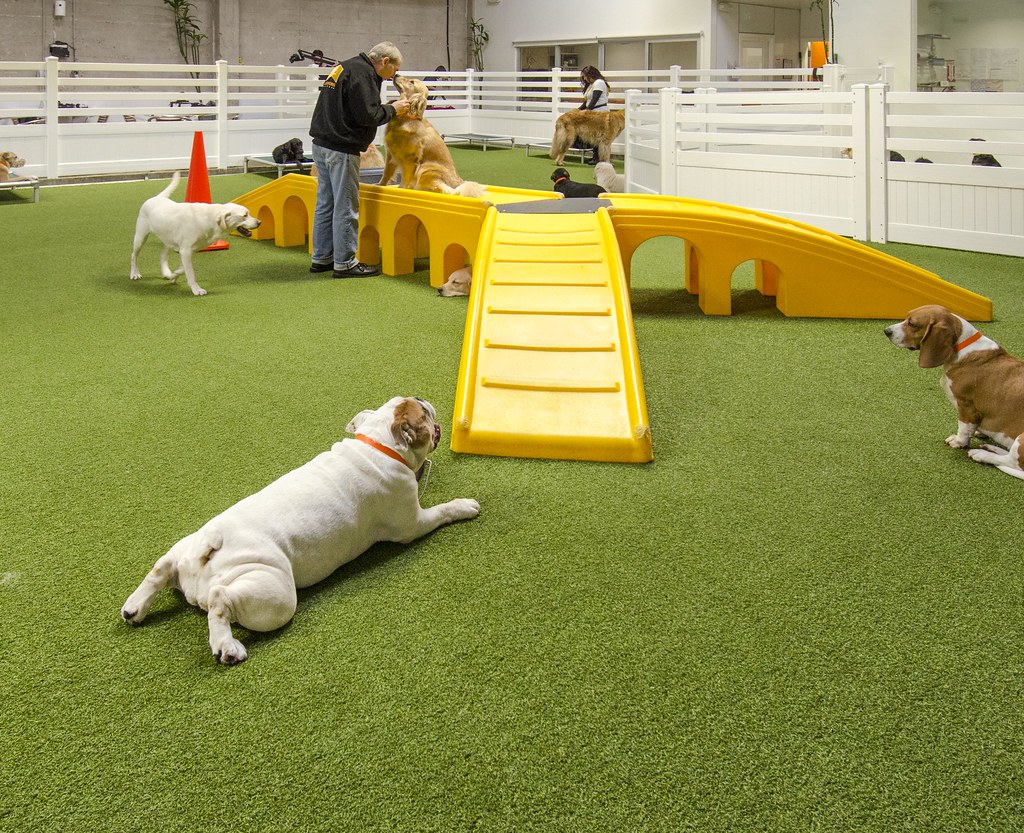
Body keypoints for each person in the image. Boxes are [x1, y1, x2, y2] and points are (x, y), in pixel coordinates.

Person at [308, 42, 409, 278]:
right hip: (341, 147)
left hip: (321, 144)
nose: (394, 75)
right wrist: (394, 109)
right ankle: (345, 263)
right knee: (346, 205)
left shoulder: (346, 67)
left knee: (326, 203)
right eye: (394, 69)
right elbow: (368, 115)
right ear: (384, 62)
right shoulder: (363, 75)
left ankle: (321, 258)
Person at [576, 65, 609, 165]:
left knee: (597, 135)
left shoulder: (598, 83)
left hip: (599, 113)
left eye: (585, 76)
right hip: (594, 113)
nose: (584, 79)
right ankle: (595, 156)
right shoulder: (592, 84)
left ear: (591, 75)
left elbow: (595, 99)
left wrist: (587, 111)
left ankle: (597, 157)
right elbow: (587, 101)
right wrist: (577, 110)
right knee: (594, 136)